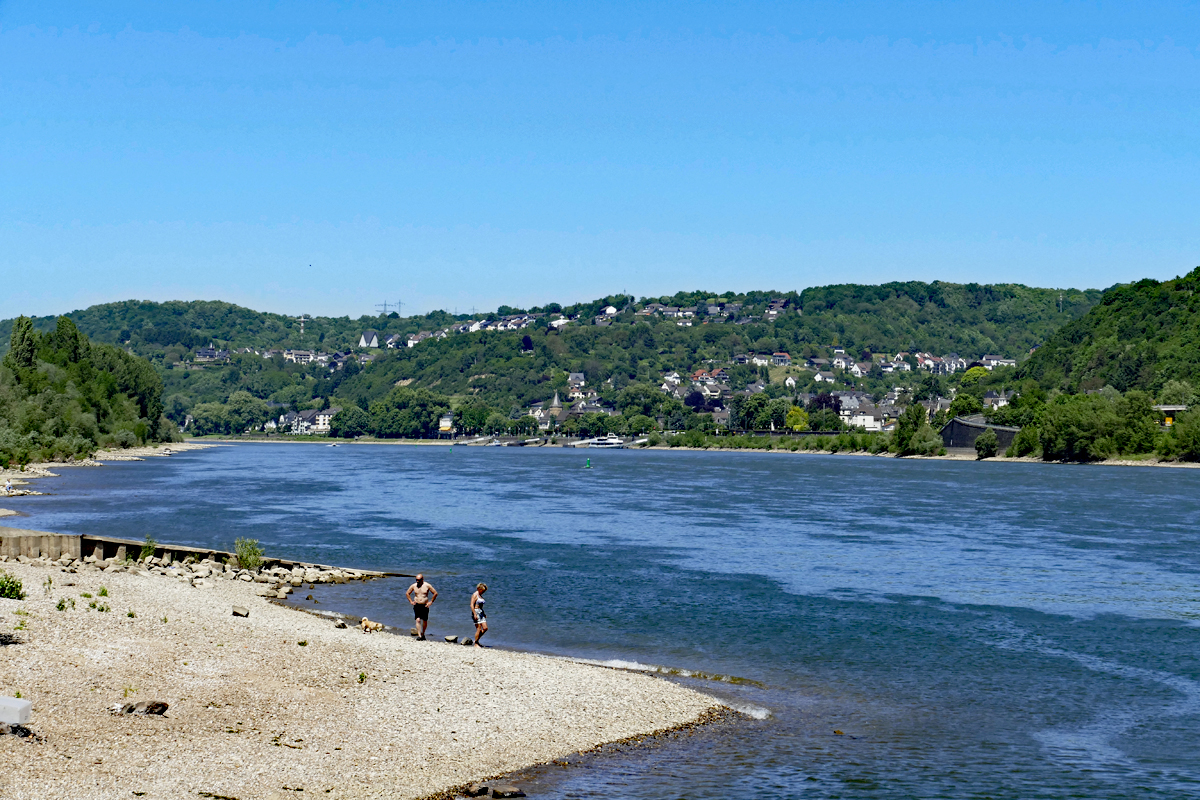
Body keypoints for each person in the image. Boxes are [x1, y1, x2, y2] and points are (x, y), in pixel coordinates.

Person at [405, 574, 438, 640]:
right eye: (416, 580)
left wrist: (431, 602)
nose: (417, 581)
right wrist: (411, 601)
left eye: (419, 580)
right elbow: (407, 593)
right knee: (418, 620)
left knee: (425, 620)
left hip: (425, 605)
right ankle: (419, 635)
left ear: (422, 579)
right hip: (417, 604)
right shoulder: (414, 585)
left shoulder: (427, 585)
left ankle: (423, 634)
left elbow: (435, 593)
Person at [470, 583, 488, 648]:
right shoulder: (475, 595)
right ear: (479, 589)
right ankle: (476, 643)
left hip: (481, 612)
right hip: (476, 611)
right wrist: (474, 614)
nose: (483, 592)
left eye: (484, 591)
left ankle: (476, 640)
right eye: (482, 590)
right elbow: (471, 605)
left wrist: (484, 613)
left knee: (485, 628)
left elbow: (481, 606)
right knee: (478, 628)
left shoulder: (480, 595)